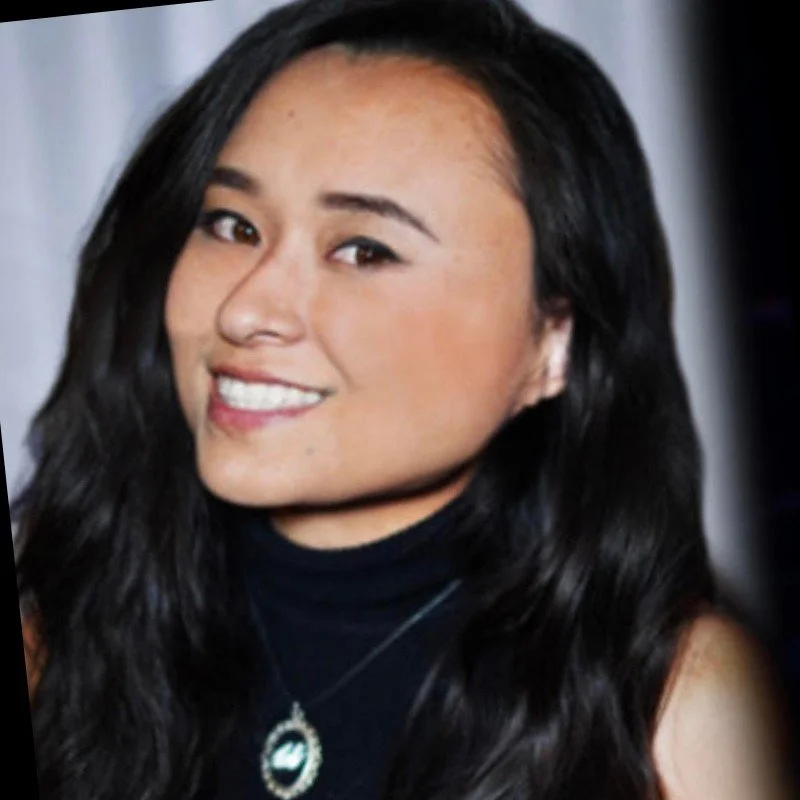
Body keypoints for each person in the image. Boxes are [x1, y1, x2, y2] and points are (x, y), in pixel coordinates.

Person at [14, 1, 795, 798]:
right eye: (232, 225)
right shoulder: (62, 626)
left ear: (552, 344)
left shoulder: (671, 701)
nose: (244, 310)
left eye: (363, 250)